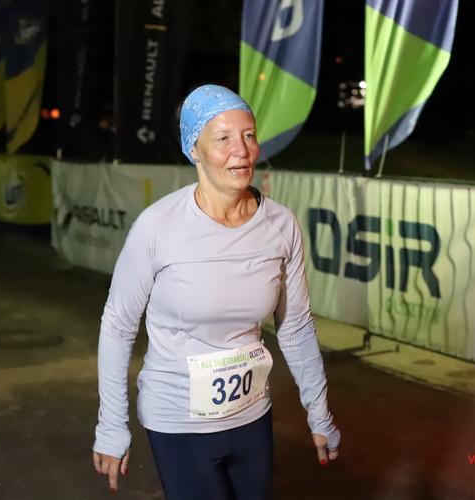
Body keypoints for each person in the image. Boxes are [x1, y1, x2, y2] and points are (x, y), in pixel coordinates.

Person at [92, 84, 340, 499]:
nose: (241, 151)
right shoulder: (158, 226)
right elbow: (118, 325)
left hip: (251, 415)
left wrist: (319, 413)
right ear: (194, 150)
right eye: (223, 138)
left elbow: (295, 326)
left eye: (249, 135)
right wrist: (111, 425)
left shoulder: (281, 225)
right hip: (179, 421)